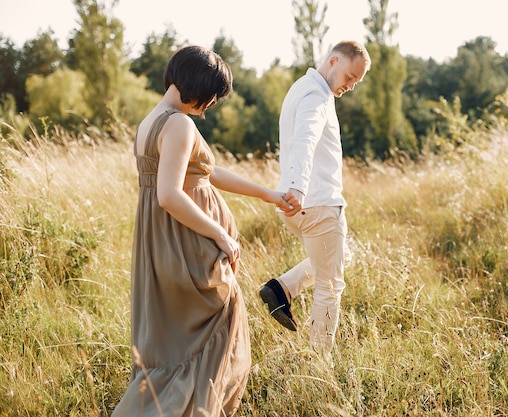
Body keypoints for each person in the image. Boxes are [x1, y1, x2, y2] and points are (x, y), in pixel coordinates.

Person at [112, 45, 291, 417]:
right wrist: (221, 235)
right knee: (215, 333)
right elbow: (169, 195)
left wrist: (264, 194)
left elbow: (203, 173)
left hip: (163, 245)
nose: (210, 105)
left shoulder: (154, 119)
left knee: (176, 344)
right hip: (187, 245)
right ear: (195, 84)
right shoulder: (178, 123)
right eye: (211, 95)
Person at [259, 40, 371, 356]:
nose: (351, 86)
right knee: (330, 287)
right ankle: (319, 367)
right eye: (350, 77)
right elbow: (305, 140)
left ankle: (281, 289)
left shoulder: (302, 88)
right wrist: (297, 187)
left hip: (301, 205)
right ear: (333, 61)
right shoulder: (316, 95)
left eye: (356, 82)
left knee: (342, 257)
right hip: (316, 202)